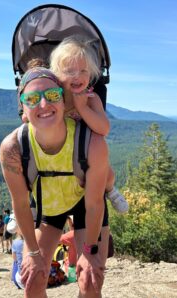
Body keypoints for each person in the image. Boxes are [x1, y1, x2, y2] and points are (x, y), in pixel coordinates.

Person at [0, 66, 110, 298]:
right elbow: (20, 203)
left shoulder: (91, 142)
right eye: (32, 99)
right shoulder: (13, 148)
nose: (43, 105)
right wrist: (33, 252)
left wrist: (89, 252)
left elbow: (94, 203)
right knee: (33, 281)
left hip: (85, 204)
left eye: (52, 96)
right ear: (23, 111)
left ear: (63, 101)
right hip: (48, 206)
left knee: (90, 283)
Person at [50, 35, 129, 213]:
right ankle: (27, 204)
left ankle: (110, 190)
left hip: (85, 153)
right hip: (57, 154)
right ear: (57, 74)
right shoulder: (54, 98)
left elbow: (104, 128)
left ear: (92, 73)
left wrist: (82, 108)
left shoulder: (91, 99)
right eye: (70, 72)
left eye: (83, 71)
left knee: (107, 174)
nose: (77, 76)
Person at [11, 224, 24, 289]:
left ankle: (13, 278)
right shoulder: (31, 242)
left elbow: (14, 258)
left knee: (15, 262)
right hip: (35, 278)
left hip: (20, 280)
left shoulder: (15, 242)